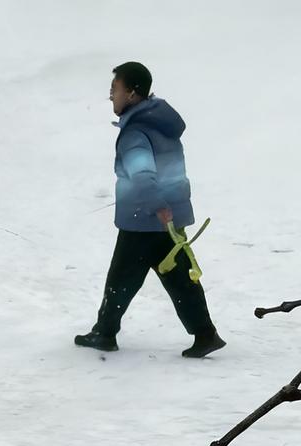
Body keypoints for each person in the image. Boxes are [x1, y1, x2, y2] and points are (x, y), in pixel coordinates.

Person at [74, 61, 224, 358]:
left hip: (143, 219)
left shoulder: (135, 133)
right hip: (169, 219)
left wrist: (157, 205)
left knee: (121, 278)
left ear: (132, 93)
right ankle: (205, 334)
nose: (110, 96)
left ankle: (104, 333)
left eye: (115, 89)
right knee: (181, 280)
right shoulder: (160, 122)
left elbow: (142, 175)